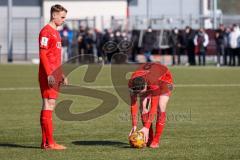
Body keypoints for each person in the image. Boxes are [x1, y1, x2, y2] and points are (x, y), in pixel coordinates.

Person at [38, 4, 68, 150]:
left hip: (55, 74)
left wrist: (61, 73)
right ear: (54, 15)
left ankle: (45, 142)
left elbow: (55, 57)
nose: (63, 20)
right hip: (48, 74)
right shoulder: (46, 32)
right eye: (62, 17)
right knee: (48, 104)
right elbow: (43, 54)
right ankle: (50, 143)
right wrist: (50, 74)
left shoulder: (56, 32)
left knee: (49, 105)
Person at [128, 63, 174, 148]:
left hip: (165, 80)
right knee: (143, 107)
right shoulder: (131, 83)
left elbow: (153, 106)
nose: (140, 94)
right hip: (150, 78)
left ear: (145, 85)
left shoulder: (153, 81)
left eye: (141, 92)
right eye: (137, 93)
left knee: (161, 106)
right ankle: (149, 138)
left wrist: (146, 127)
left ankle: (156, 140)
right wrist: (134, 125)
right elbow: (133, 105)